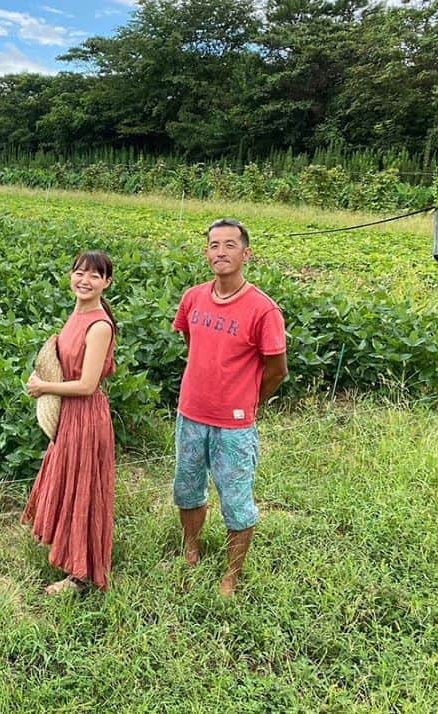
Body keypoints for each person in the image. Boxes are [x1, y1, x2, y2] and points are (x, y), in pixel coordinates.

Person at [172, 218, 288, 596]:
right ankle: (191, 547)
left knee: (236, 500)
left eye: (230, 245)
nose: (220, 252)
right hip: (190, 414)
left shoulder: (263, 310)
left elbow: (277, 370)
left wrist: (249, 401)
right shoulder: (193, 298)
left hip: (234, 425)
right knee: (187, 488)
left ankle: (231, 575)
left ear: (246, 253)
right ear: (207, 252)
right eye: (214, 245)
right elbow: (191, 340)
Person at [23, 250, 118, 594]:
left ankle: (81, 576)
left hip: (86, 415)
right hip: (69, 414)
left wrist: (43, 387)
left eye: (95, 275)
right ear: (70, 276)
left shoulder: (99, 326)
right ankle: (68, 553)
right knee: (68, 482)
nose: (85, 280)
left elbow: (87, 384)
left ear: (106, 283)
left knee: (83, 490)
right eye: (80, 273)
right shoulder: (77, 314)